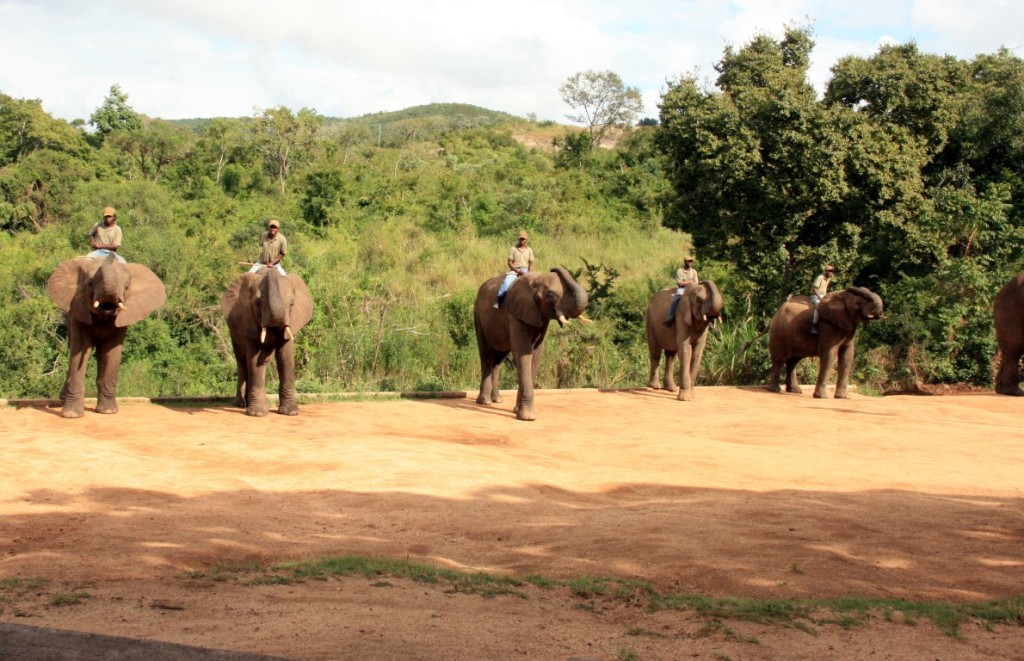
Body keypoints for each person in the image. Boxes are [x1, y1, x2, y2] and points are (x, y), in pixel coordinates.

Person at [494, 230, 535, 308]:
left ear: (526, 240)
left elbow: (531, 263)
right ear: (518, 239)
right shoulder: (513, 249)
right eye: (520, 239)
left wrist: (528, 273)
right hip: (515, 270)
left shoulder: (529, 250)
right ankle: (499, 301)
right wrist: (518, 270)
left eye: (523, 239)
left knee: (534, 286)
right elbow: (509, 262)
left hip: (526, 270)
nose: (522, 240)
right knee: (506, 283)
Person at [665, 256, 699, 325]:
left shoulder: (694, 271)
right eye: (688, 261)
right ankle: (670, 318)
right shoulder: (679, 271)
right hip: (682, 289)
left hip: (692, 289)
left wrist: (685, 282)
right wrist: (690, 282)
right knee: (675, 299)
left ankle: (709, 321)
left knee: (702, 298)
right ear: (685, 262)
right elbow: (680, 283)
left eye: (691, 261)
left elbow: (696, 283)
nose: (690, 263)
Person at [809, 264, 834, 335]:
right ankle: (813, 326)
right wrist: (820, 298)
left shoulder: (828, 279)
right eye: (829, 271)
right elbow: (815, 288)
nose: (830, 272)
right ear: (825, 271)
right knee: (819, 307)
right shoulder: (820, 277)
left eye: (832, 271)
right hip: (816, 296)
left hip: (824, 296)